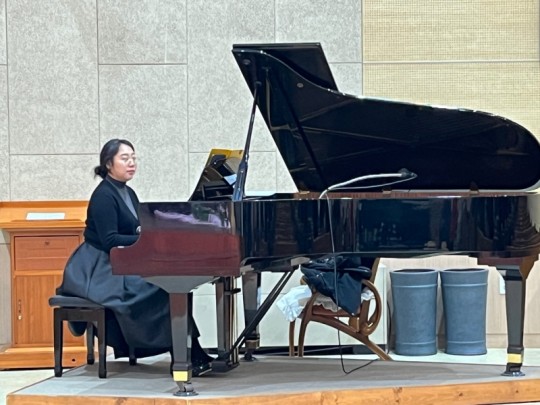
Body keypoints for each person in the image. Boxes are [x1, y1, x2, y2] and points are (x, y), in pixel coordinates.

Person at [56, 138, 213, 376]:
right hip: (98, 269)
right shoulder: (103, 196)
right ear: (108, 164)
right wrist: (146, 239)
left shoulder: (128, 192)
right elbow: (110, 240)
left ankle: (188, 349)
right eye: (124, 158)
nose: (131, 163)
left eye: (133, 157)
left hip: (120, 262)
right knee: (161, 288)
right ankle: (181, 354)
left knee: (173, 284)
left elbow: (137, 229)